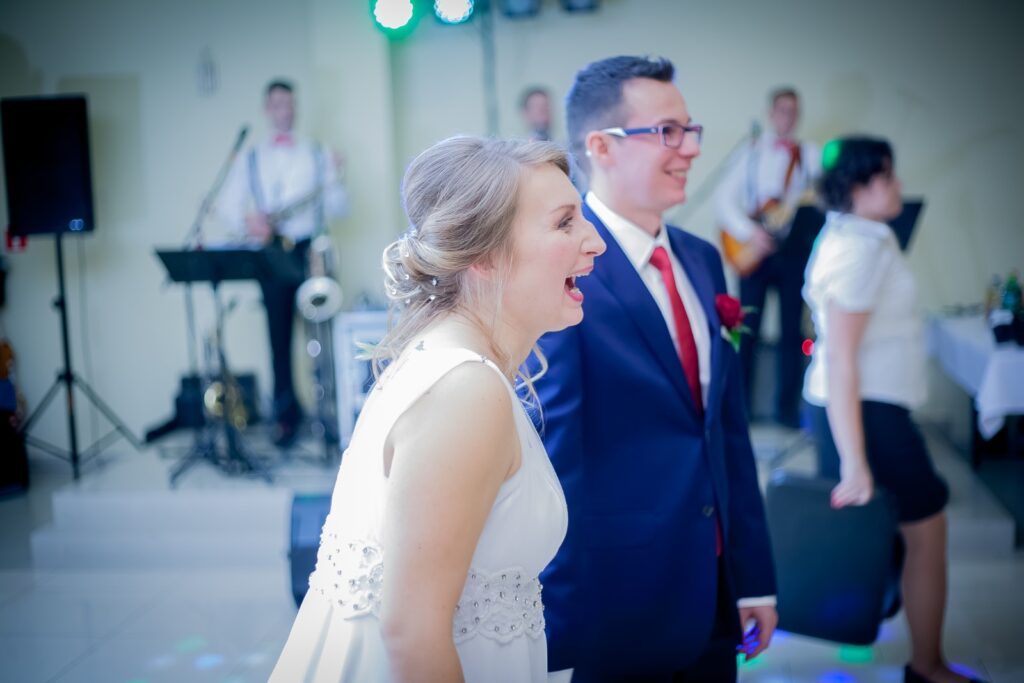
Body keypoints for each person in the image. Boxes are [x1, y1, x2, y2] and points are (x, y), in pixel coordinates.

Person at [269, 135, 606, 682]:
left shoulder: (453, 360)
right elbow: (413, 636)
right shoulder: (464, 390)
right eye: (565, 223)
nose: (595, 242)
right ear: (484, 256)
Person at [534, 55, 777, 681]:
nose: (689, 148)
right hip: (617, 599)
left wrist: (753, 577)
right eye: (667, 131)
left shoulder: (701, 259)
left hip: (715, 589)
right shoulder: (565, 270)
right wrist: (558, 621)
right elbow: (556, 455)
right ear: (601, 147)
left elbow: (726, 430)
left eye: (689, 130)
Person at [803, 137, 985, 683]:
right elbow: (841, 359)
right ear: (856, 188)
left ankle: (915, 650)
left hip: (871, 407)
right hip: (868, 411)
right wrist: (855, 461)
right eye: (886, 176)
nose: (898, 185)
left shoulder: (859, 235)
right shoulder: (859, 248)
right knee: (926, 530)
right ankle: (927, 665)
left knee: (912, 530)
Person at [217, 78, 348, 447]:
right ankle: (286, 416)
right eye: (277, 105)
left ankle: (328, 415)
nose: (284, 111)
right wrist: (250, 223)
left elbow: (340, 208)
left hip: (310, 251)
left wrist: (338, 175)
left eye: (290, 104)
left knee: (321, 334)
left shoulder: (318, 153)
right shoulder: (251, 157)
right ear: (267, 109)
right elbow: (227, 207)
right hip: (272, 253)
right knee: (278, 338)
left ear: (296, 107)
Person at [714, 87, 821, 428]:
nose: (788, 117)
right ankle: (741, 410)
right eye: (783, 110)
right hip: (755, 250)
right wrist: (751, 234)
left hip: (793, 252)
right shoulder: (750, 152)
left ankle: (787, 412)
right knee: (746, 330)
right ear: (771, 113)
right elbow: (723, 201)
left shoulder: (811, 156)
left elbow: (822, 199)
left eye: (794, 111)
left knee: (792, 332)